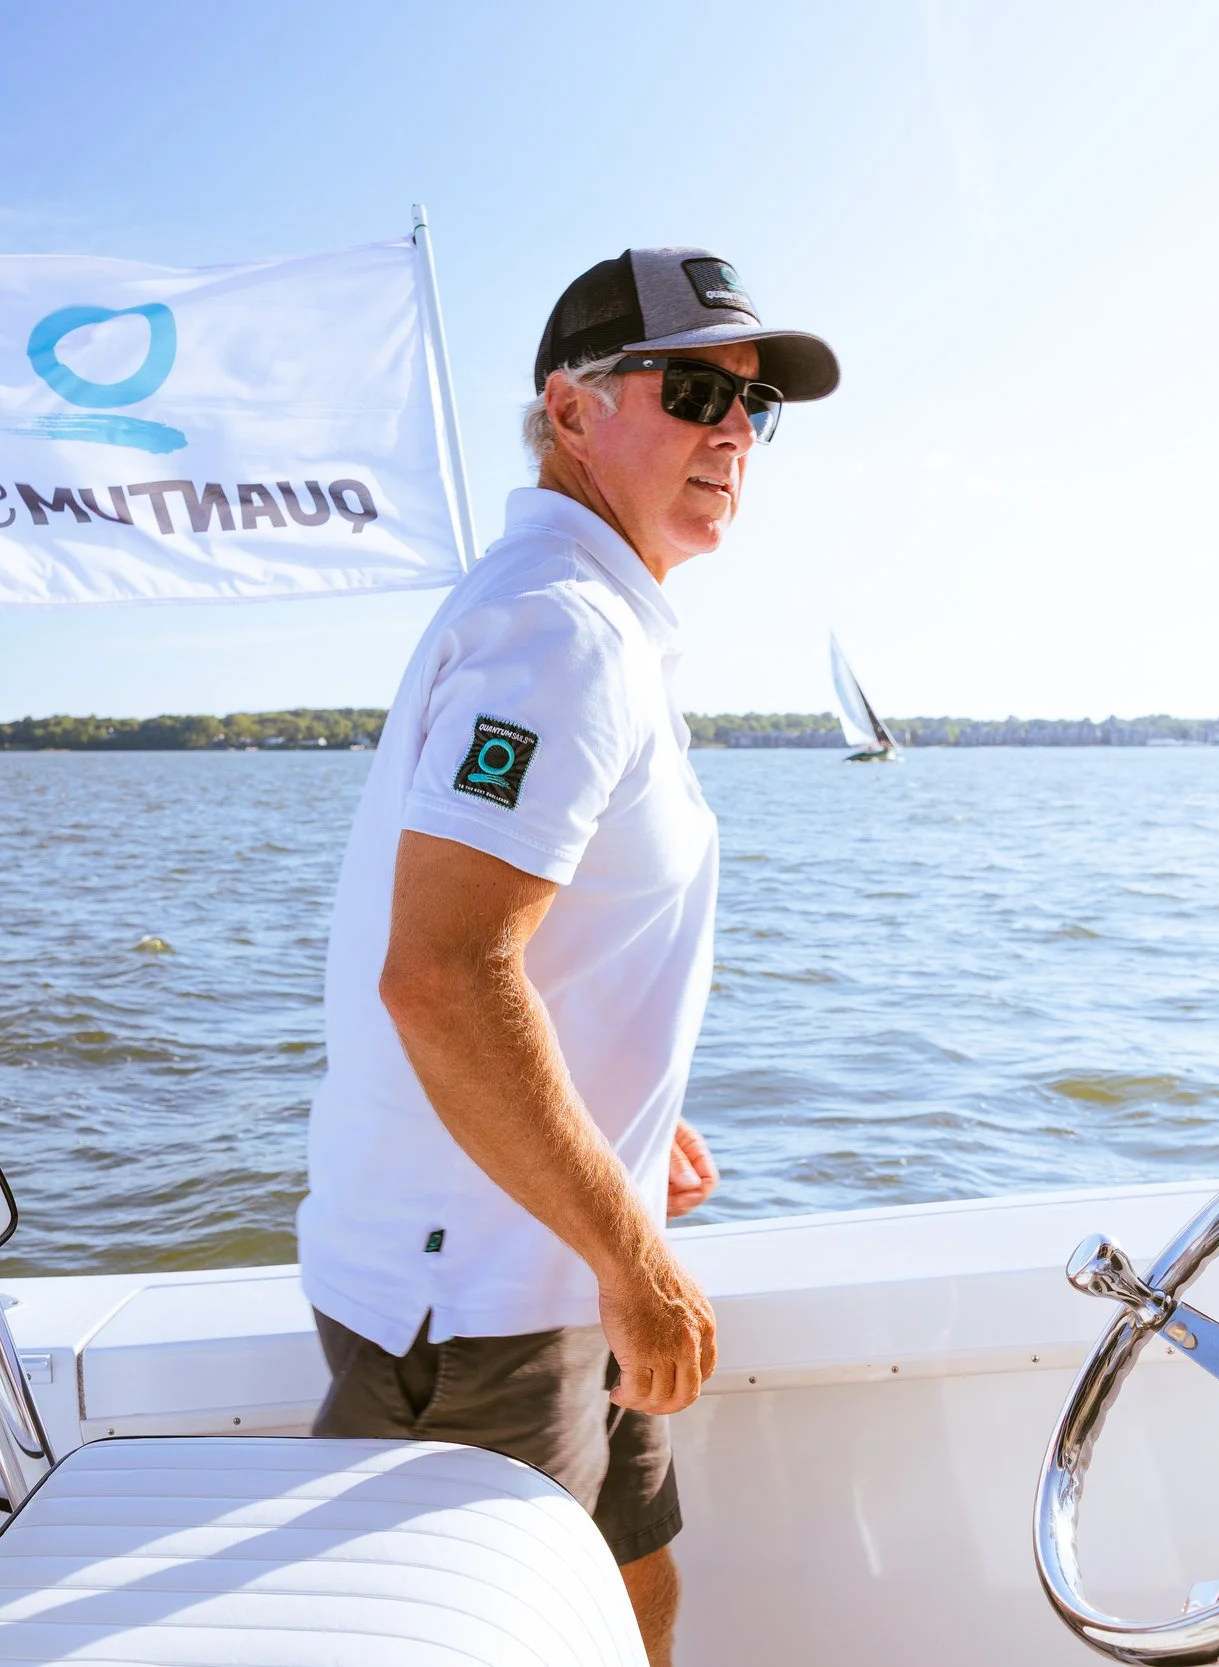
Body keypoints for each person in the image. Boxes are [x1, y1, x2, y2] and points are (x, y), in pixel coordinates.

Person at [297, 246, 839, 1663]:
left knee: (633, 1583)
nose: (734, 428)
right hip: (485, 1301)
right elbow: (443, 975)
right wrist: (629, 1255)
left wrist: (622, 1128)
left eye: (755, 403)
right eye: (695, 388)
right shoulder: (560, 631)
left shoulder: (588, 618)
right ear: (573, 410)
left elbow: (540, 957)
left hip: (561, 1259)